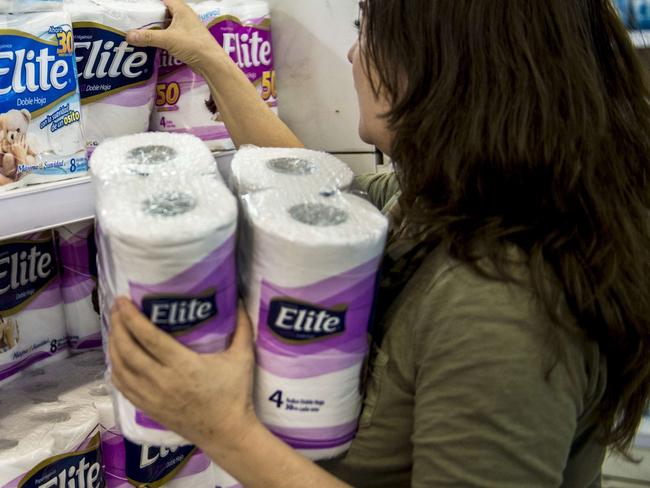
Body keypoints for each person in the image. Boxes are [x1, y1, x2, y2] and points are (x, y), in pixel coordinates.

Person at [109, 0, 650, 486]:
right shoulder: (450, 202)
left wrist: (225, 429)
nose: (351, 53)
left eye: (365, 29)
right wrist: (211, 59)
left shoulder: (499, 304)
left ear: (442, 65)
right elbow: (305, 192)